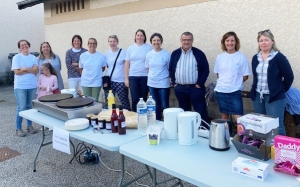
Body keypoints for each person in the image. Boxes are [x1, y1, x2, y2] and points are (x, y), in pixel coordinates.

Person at [249, 29, 294, 135]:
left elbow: (289, 76)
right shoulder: (256, 58)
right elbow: (256, 77)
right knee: (260, 125)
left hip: (274, 97)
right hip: (258, 97)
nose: (263, 43)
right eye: (261, 40)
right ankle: (264, 149)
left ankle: (279, 150)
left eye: (266, 40)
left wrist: (280, 89)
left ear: (272, 41)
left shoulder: (278, 57)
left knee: (276, 126)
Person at [169, 32, 210, 126]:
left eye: (189, 40)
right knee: (184, 113)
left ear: (192, 41)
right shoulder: (175, 53)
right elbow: (171, 69)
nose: (186, 42)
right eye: (184, 40)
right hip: (180, 89)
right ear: (181, 41)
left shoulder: (199, 53)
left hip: (195, 89)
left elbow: (206, 69)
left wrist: (200, 83)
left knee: (201, 113)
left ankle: (203, 133)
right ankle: (186, 132)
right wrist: (174, 82)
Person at [214, 32, 250, 123]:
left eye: (232, 40)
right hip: (221, 91)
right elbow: (218, 74)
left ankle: (239, 137)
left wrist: (235, 83)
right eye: (227, 40)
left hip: (234, 92)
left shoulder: (241, 57)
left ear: (236, 42)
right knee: (224, 118)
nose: (230, 43)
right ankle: (226, 137)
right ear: (224, 42)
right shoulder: (220, 57)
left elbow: (245, 76)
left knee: (238, 119)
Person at [11, 40, 38, 137]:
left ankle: (29, 126)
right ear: (19, 48)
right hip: (20, 86)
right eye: (22, 45)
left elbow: (36, 70)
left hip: (32, 85)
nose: (24, 46)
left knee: (29, 107)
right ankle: (18, 128)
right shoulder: (16, 58)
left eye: (25, 44)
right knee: (21, 107)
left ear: (28, 46)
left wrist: (25, 69)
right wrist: (30, 70)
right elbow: (17, 72)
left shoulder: (33, 57)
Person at [124, 29, 153, 112]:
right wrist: (126, 79)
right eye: (138, 35)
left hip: (145, 76)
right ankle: (135, 117)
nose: (139, 37)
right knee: (135, 99)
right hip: (133, 76)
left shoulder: (149, 48)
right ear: (135, 36)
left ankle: (143, 116)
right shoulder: (130, 48)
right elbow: (127, 64)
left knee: (143, 98)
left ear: (144, 37)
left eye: (141, 35)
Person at [145, 33, 171, 120]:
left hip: (163, 83)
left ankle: (167, 123)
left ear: (161, 41)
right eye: (154, 40)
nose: (156, 42)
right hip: (152, 83)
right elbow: (148, 68)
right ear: (151, 42)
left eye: (158, 40)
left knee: (164, 105)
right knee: (155, 106)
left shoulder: (166, 54)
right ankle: (158, 122)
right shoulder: (148, 54)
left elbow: (169, 68)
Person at [104, 35, 131, 110]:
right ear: (108, 43)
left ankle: (127, 117)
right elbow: (106, 66)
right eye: (110, 41)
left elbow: (127, 65)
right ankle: (110, 117)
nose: (112, 43)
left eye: (114, 41)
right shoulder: (106, 54)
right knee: (109, 102)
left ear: (117, 42)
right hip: (109, 81)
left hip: (121, 81)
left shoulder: (123, 52)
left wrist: (126, 79)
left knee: (124, 101)